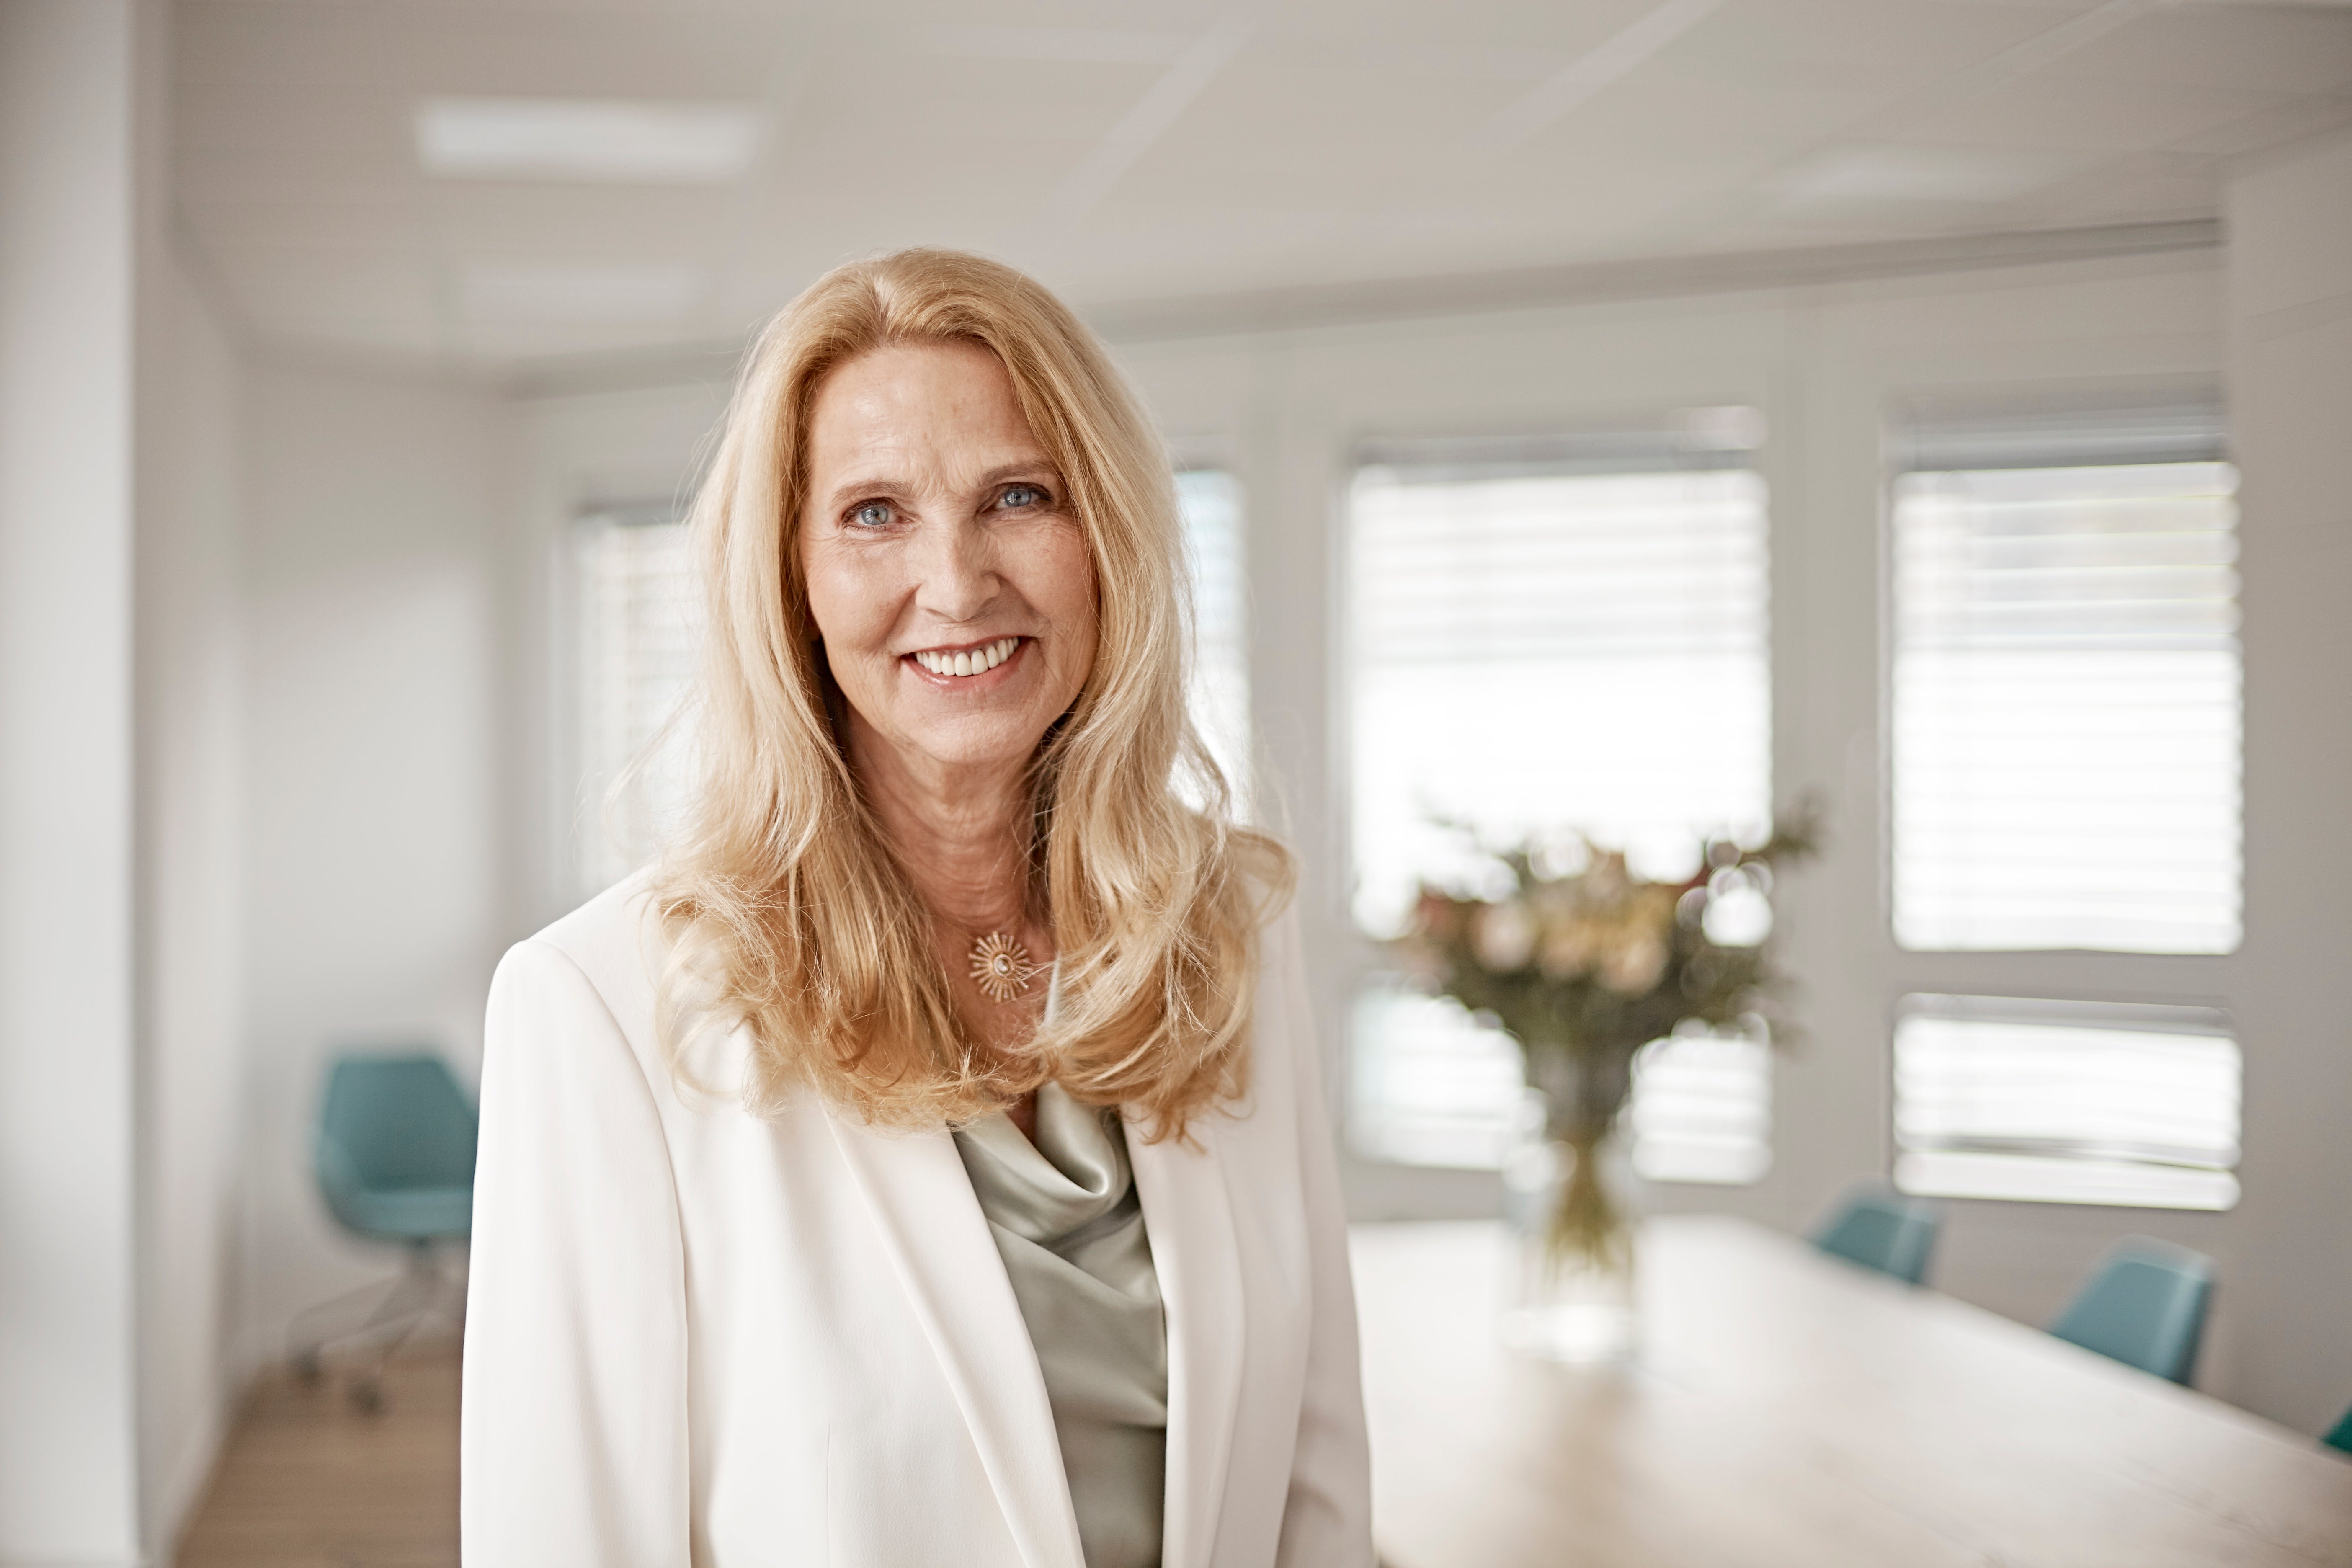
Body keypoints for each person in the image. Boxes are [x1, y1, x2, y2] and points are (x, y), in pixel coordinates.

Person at [459, 248, 1372, 1568]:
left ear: (1105, 534)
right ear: (790, 580)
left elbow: (1314, 1480)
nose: (955, 583)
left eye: (1017, 496)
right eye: (875, 514)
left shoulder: (1227, 924)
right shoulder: (603, 1010)